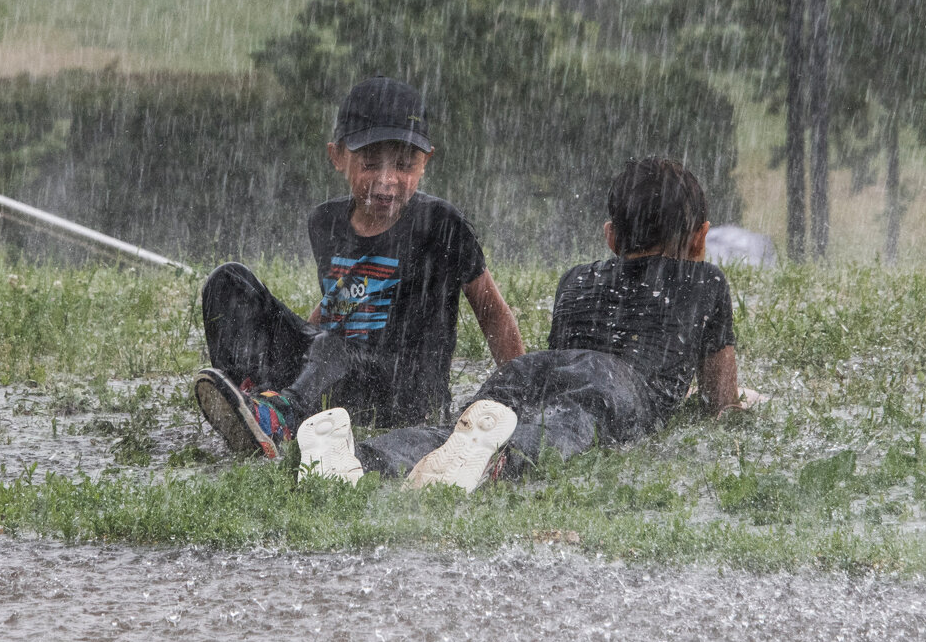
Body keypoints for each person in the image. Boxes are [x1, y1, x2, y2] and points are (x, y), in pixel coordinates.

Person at [298, 156, 759, 492]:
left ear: (611, 236)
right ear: (701, 236)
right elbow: (721, 401)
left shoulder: (577, 279)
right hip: (615, 384)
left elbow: (564, 366)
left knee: (461, 429)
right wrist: (735, 406)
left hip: (534, 368)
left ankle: (362, 458)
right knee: (561, 427)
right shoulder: (705, 281)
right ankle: (494, 465)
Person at [194, 75, 524, 460]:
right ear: (337, 156)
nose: (386, 183)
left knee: (332, 346)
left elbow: (494, 314)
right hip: (338, 371)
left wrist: (516, 402)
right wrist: (301, 347)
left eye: (404, 165)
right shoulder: (325, 222)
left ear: (426, 161)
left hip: (403, 393)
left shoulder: (439, 224)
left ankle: (282, 417)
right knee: (229, 281)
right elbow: (339, 301)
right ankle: (251, 407)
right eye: (369, 165)